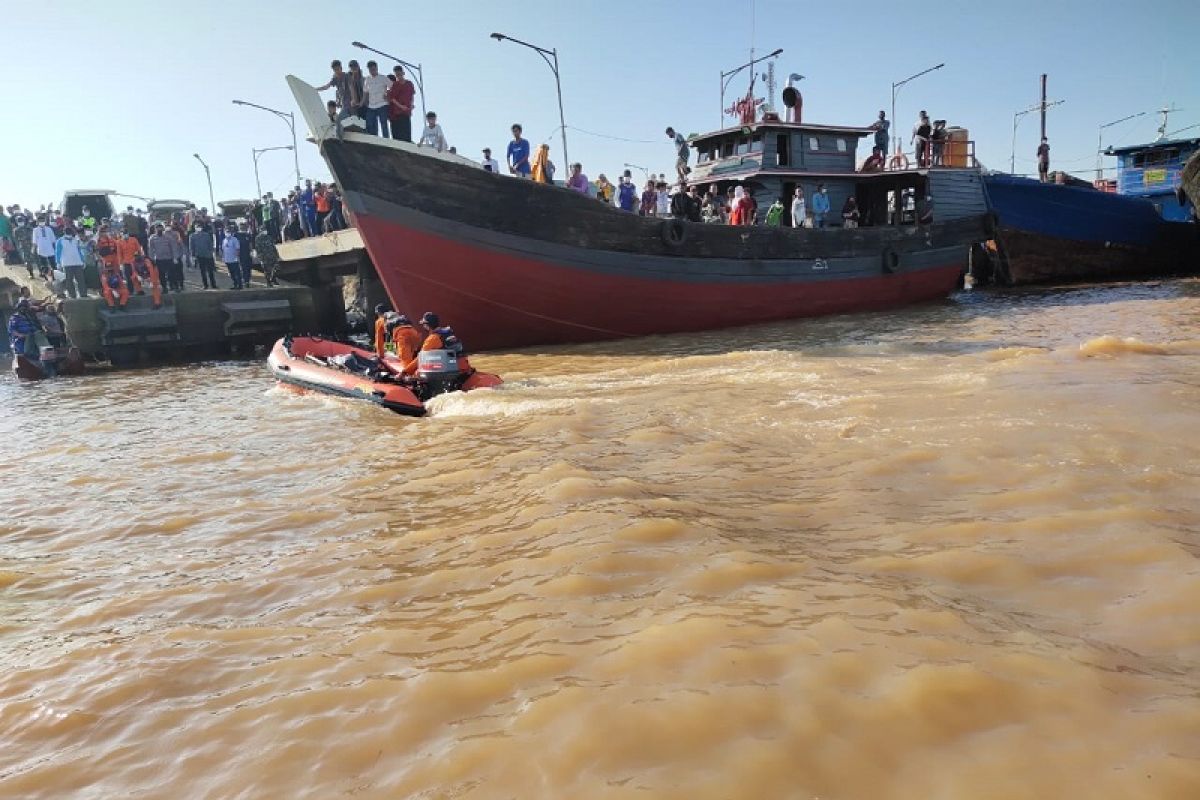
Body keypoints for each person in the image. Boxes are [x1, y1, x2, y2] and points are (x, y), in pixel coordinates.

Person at [54, 228, 88, 299]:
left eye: (70, 232)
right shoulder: (60, 241)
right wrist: (58, 262)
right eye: (67, 232)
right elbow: (58, 252)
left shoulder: (75, 240)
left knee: (81, 279)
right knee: (69, 280)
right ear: (64, 232)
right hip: (67, 263)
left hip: (77, 262)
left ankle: (83, 294)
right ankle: (72, 295)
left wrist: (82, 260)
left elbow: (79, 251)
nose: (69, 233)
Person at [386, 65, 416, 143]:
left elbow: (412, 95)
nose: (398, 76)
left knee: (406, 133)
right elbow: (392, 98)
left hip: (406, 112)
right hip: (397, 113)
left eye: (399, 74)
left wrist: (411, 105)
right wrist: (401, 106)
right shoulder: (395, 85)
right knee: (397, 135)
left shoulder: (409, 84)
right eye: (397, 75)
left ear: (403, 73)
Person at [362, 61, 391, 137]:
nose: (372, 71)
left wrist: (388, 95)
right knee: (369, 123)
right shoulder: (367, 79)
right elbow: (365, 92)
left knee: (383, 123)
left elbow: (393, 87)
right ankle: (373, 138)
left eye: (373, 69)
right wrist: (363, 102)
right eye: (370, 69)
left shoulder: (383, 78)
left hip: (382, 104)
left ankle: (386, 139)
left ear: (376, 68)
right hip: (371, 105)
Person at [189, 224, 216, 289]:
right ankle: (205, 285)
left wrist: (212, 253)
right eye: (197, 227)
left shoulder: (206, 235)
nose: (199, 228)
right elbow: (191, 247)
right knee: (202, 271)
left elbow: (210, 244)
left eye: (200, 227)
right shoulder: (192, 236)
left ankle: (213, 285)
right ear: (195, 228)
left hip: (208, 255)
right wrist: (193, 256)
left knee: (210, 271)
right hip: (199, 255)